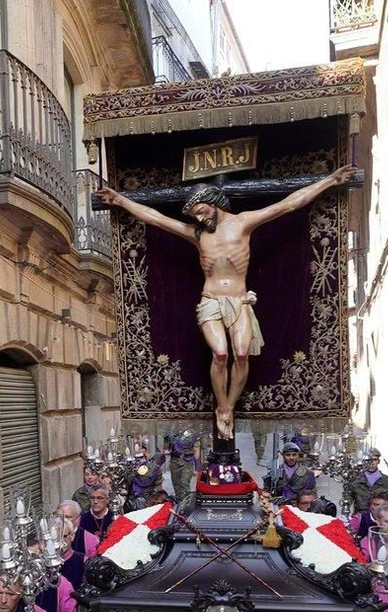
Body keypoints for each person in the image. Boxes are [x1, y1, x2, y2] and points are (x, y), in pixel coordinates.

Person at [99, 166, 354, 438]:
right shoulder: (197, 234)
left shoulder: (243, 222)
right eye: (195, 214)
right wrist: (121, 200)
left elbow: (288, 205)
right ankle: (221, 407)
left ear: (214, 202)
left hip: (239, 301)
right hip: (210, 300)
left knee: (241, 354)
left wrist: (329, 181)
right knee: (220, 354)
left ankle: (228, 407)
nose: (199, 217)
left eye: (201, 211)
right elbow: (156, 219)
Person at [346, 447, 388, 512]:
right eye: (368, 460)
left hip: (382, 516)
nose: (371, 463)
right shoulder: (355, 482)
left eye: (374, 459)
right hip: (361, 517)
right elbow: (347, 502)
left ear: (379, 461)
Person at [76, 485, 115, 555]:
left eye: (100, 498)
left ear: (107, 500)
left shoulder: (115, 518)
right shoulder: (81, 520)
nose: (95, 501)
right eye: (92, 498)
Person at [123, 442, 164, 508]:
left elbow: (159, 488)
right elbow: (159, 488)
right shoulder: (128, 468)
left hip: (142, 501)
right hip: (140, 501)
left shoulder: (128, 468)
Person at [166, 430, 197, 504]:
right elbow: (166, 449)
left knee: (184, 483)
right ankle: (179, 503)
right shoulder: (170, 434)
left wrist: (197, 467)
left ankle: (187, 502)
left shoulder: (192, 434)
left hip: (187, 461)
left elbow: (196, 454)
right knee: (176, 483)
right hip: (174, 461)